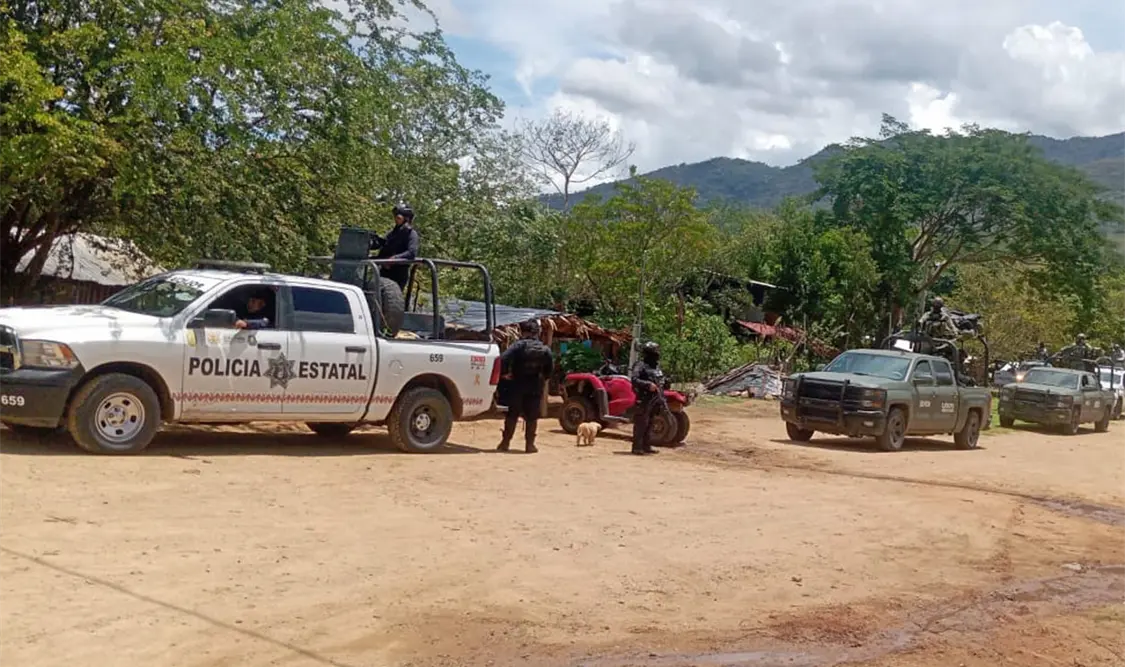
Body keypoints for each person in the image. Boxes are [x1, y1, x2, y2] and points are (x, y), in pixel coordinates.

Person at [496, 320, 554, 454]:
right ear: (537, 333)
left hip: (517, 384)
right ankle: (530, 445)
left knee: (512, 414)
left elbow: (503, 358)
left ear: (524, 332)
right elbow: (549, 370)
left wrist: (505, 374)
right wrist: (542, 379)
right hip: (535, 386)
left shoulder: (518, 346)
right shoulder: (545, 349)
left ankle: (505, 443)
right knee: (532, 416)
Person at [630, 341, 665, 456]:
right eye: (655, 352)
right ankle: (637, 447)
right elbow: (634, 379)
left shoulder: (656, 367)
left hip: (655, 399)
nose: (657, 354)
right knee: (641, 423)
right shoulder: (640, 365)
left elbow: (660, 380)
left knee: (650, 422)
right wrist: (647, 385)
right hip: (644, 399)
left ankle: (646, 445)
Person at [374, 202, 421, 289]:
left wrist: (394, 259)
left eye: (398, 217)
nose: (395, 219)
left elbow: (412, 252)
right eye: (395, 217)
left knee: (391, 298)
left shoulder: (411, 234)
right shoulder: (392, 234)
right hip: (384, 272)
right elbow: (383, 245)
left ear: (406, 218)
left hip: (398, 273)